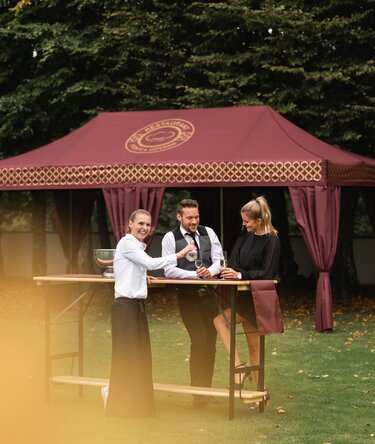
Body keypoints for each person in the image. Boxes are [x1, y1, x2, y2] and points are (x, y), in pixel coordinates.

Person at [103, 209, 196, 418]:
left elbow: (137, 268)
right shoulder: (127, 243)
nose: (144, 228)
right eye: (141, 223)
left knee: (140, 358)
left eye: (148, 224)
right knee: (125, 358)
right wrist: (180, 254)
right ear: (130, 223)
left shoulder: (137, 247)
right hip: (125, 308)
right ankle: (115, 401)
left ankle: (138, 406)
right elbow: (151, 263)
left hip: (136, 307)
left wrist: (142, 277)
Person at [213, 196, 280, 398]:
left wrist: (241, 274)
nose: (243, 224)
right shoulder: (247, 236)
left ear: (259, 221)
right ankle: (243, 372)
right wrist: (231, 271)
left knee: (221, 323)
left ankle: (257, 390)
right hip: (242, 296)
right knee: (252, 344)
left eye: (247, 221)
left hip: (257, 299)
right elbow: (235, 262)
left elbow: (268, 272)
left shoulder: (272, 240)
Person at [161, 199, 223, 407]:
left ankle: (206, 390)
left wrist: (210, 272)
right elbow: (168, 270)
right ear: (179, 217)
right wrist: (195, 276)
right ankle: (198, 393)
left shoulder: (209, 232)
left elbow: (219, 261)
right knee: (199, 341)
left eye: (196, 217)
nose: (194, 221)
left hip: (210, 297)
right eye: (189, 218)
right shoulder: (170, 238)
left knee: (211, 345)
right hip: (187, 299)